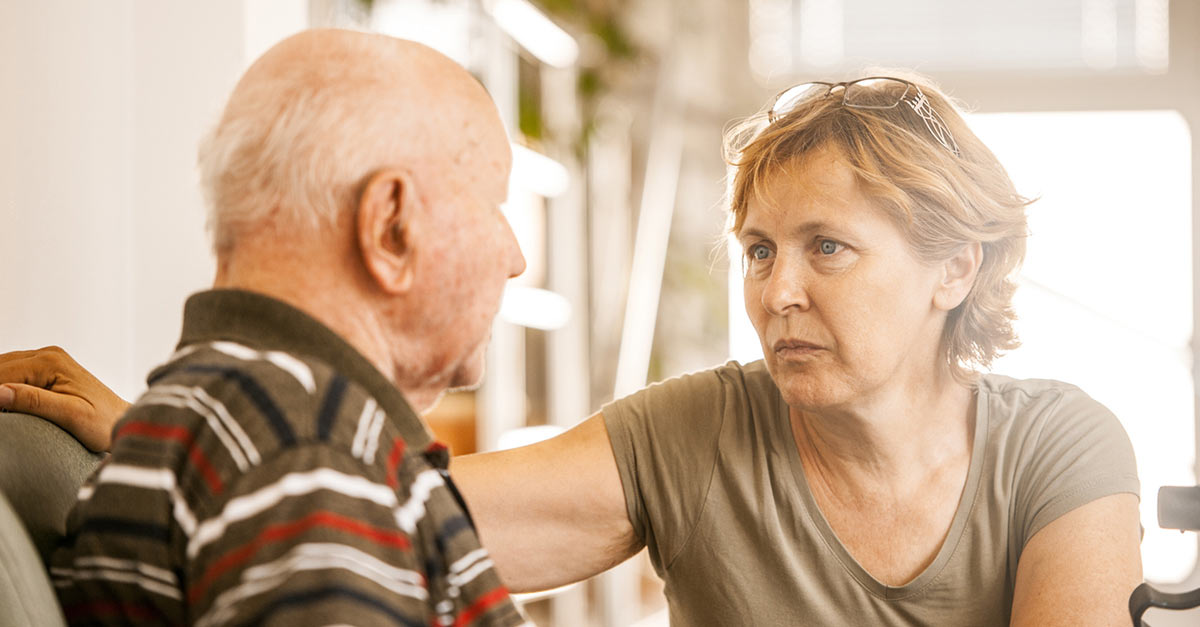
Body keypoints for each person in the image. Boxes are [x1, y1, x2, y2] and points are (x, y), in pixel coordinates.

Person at [1, 75, 1142, 625]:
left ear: (958, 270)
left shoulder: (1062, 446)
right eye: (756, 250)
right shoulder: (696, 430)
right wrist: (197, 430)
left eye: (827, 249)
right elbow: (414, 506)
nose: (776, 291)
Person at [0, 29, 531, 626]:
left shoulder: (269, 431)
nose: (515, 257)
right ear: (392, 227)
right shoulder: (309, 455)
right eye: (494, 202)